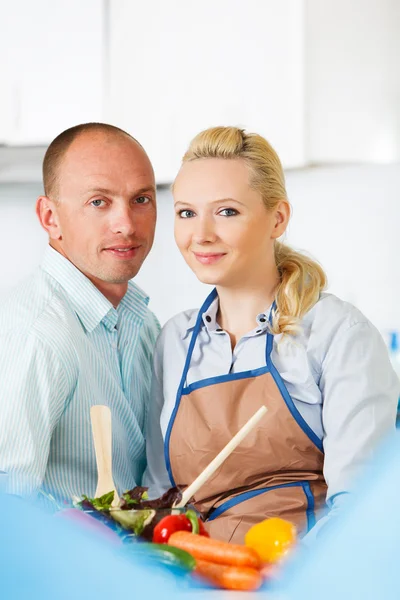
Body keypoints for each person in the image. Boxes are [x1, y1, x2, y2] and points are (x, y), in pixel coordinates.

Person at [144, 126, 399, 543]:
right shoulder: (173, 342)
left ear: (277, 218)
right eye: (186, 212)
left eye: (227, 212)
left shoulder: (336, 334)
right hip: (193, 575)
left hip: (305, 578)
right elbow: (159, 496)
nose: (201, 234)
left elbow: (361, 509)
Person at [0, 123, 159, 504]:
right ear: (50, 218)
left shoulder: (145, 325)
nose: (126, 224)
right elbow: (10, 514)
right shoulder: (36, 332)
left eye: (141, 199)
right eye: (99, 202)